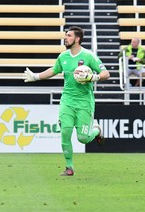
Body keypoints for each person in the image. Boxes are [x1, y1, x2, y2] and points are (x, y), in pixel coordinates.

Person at [23, 26, 110, 176]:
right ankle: (69, 167)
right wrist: (36, 77)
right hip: (67, 101)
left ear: (77, 39)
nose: (65, 38)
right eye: (65, 35)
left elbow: (106, 73)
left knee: (83, 138)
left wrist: (94, 77)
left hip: (84, 102)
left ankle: (97, 130)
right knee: (65, 132)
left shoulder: (89, 56)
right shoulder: (63, 56)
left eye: (69, 36)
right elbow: (53, 70)